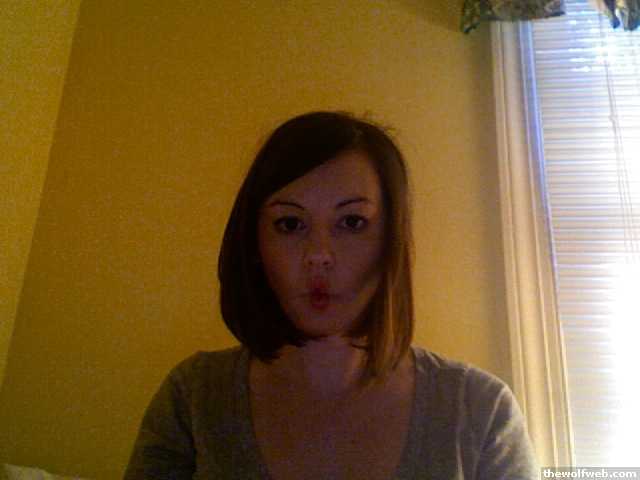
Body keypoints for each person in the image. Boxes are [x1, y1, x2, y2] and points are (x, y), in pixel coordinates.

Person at [124, 111, 538, 479]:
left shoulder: (481, 412)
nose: (318, 255)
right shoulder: (193, 399)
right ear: (254, 244)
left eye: (352, 222)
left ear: (390, 241)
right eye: (290, 224)